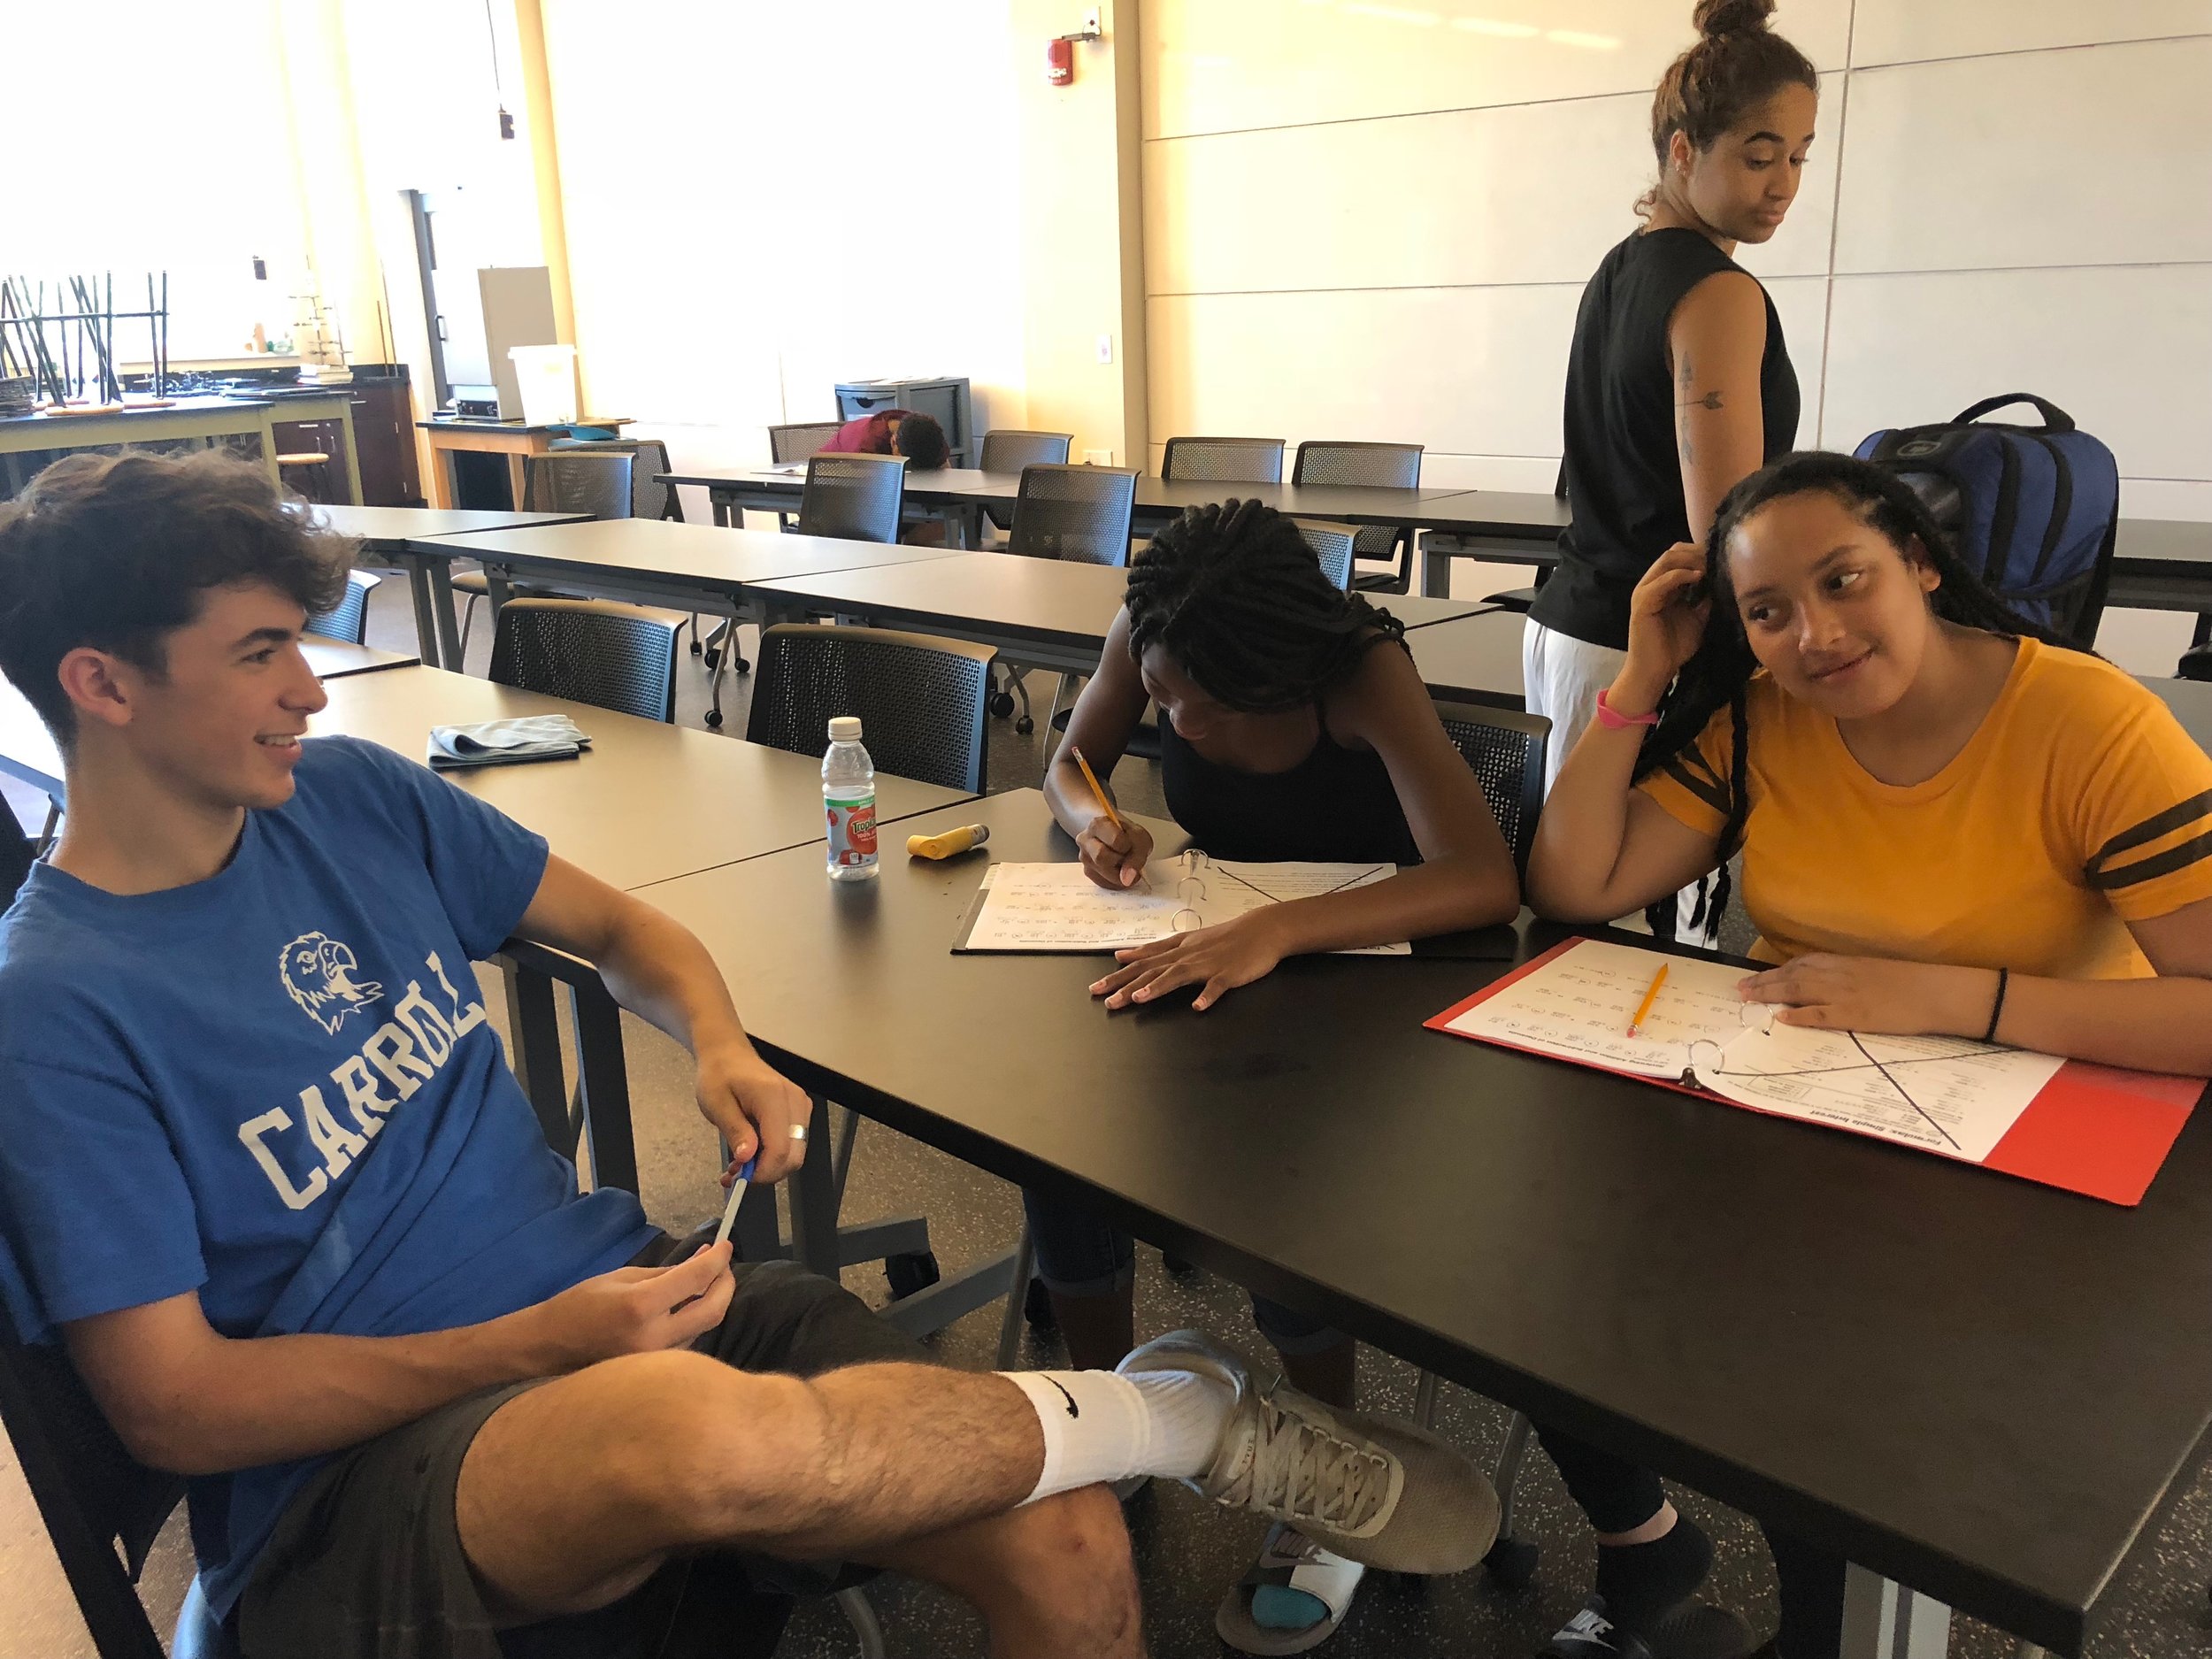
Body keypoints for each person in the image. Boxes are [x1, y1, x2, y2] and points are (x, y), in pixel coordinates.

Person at [0, 453, 1505, 1659]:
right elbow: (174, 1410)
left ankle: (1141, 1427)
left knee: (1065, 1535)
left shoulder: (354, 802)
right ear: (102, 684)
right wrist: (542, 1345)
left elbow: (628, 936)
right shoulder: (55, 1009)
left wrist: (715, 1040)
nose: (313, 688)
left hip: (630, 1319)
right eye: (262, 654)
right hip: (366, 1487)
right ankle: (1173, 1414)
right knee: (683, 1430)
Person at [1527, 450, 2212, 1658]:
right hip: (1804, 1110)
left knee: (1832, 1419)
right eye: (1769, 612)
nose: (1817, 635)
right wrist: (1638, 677)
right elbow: (1577, 882)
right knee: (1546, 1293)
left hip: (2026, 1144)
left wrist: (1951, 996)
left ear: (1922, 563)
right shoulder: (1763, 721)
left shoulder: (2089, 721)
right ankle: (1650, 1543)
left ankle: (1829, 1625)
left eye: (1846, 580)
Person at [1041, 497, 1522, 1652]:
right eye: (1158, 693)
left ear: (1273, 677)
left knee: (1284, 1217)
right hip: (1217, 950)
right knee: (1060, 1158)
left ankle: (1332, 1475)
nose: (1171, 718)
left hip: (1363, 983)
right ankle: (1112, 1425)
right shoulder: (1156, 632)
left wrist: (1288, 929)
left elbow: (1482, 877)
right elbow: (1070, 760)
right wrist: (1097, 819)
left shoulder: (1359, 672)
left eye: (1194, 705)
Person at [1528, 0, 1816, 910]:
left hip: (1569, 626)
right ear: (1683, 150)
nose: (1782, 184)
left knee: (1574, 923)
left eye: (1800, 156)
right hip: (1647, 645)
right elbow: (1725, 530)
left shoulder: (1621, 265)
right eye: (1758, 154)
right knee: (1629, 944)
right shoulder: (1719, 293)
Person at [819, 407, 950, 470]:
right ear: (894, 443)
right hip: (834, 486)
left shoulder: (928, 432)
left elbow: (945, 470)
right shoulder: (866, 448)